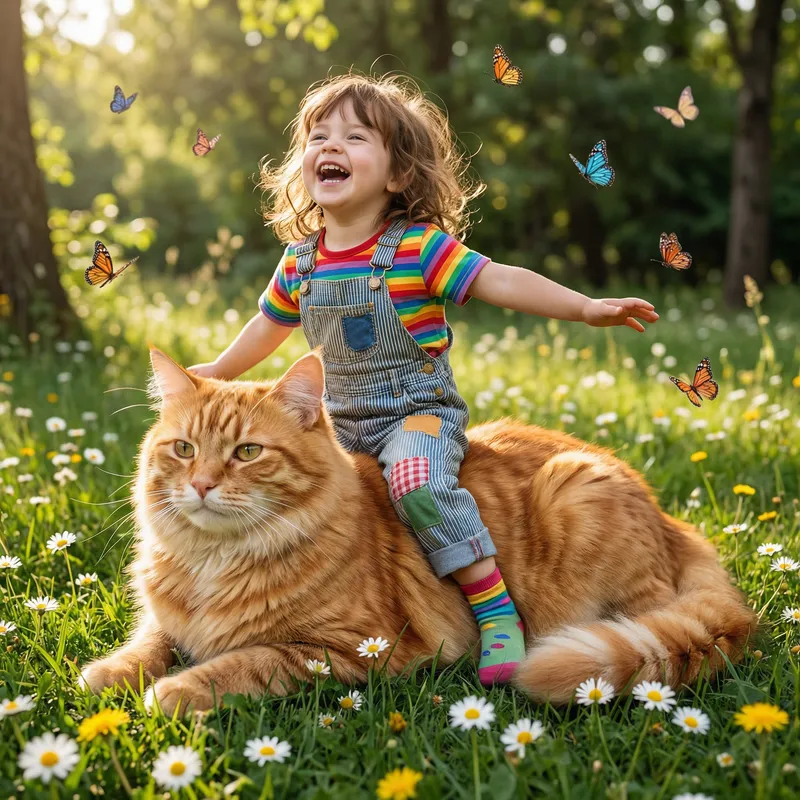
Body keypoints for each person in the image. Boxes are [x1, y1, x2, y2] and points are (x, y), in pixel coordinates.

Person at [189, 72, 658, 685]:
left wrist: (585, 307)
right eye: (318, 135)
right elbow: (266, 325)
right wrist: (218, 371)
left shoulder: (417, 248)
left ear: (398, 175)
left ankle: (492, 609)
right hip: (343, 419)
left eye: (355, 136)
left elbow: (503, 280)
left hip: (418, 414)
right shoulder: (302, 260)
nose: (331, 146)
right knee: (323, 507)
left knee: (416, 485)